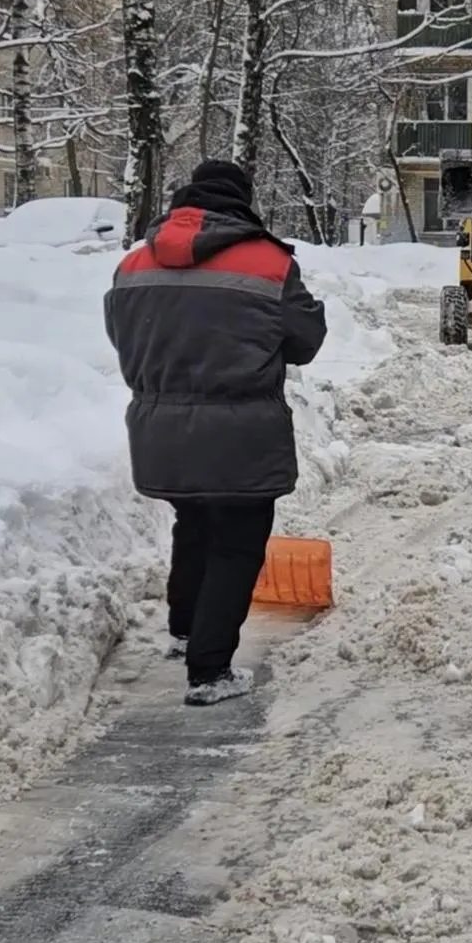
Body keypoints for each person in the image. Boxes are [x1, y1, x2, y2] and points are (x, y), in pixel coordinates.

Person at [104, 161, 328, 706]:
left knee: (194, 523)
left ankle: (184, 631)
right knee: (236, 543)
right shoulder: (270, 264)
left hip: (162, 431)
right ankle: (209, 671)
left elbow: (123, 338)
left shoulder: (133, 264)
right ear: (242, 203)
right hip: (241, 434)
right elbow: (304, 341)